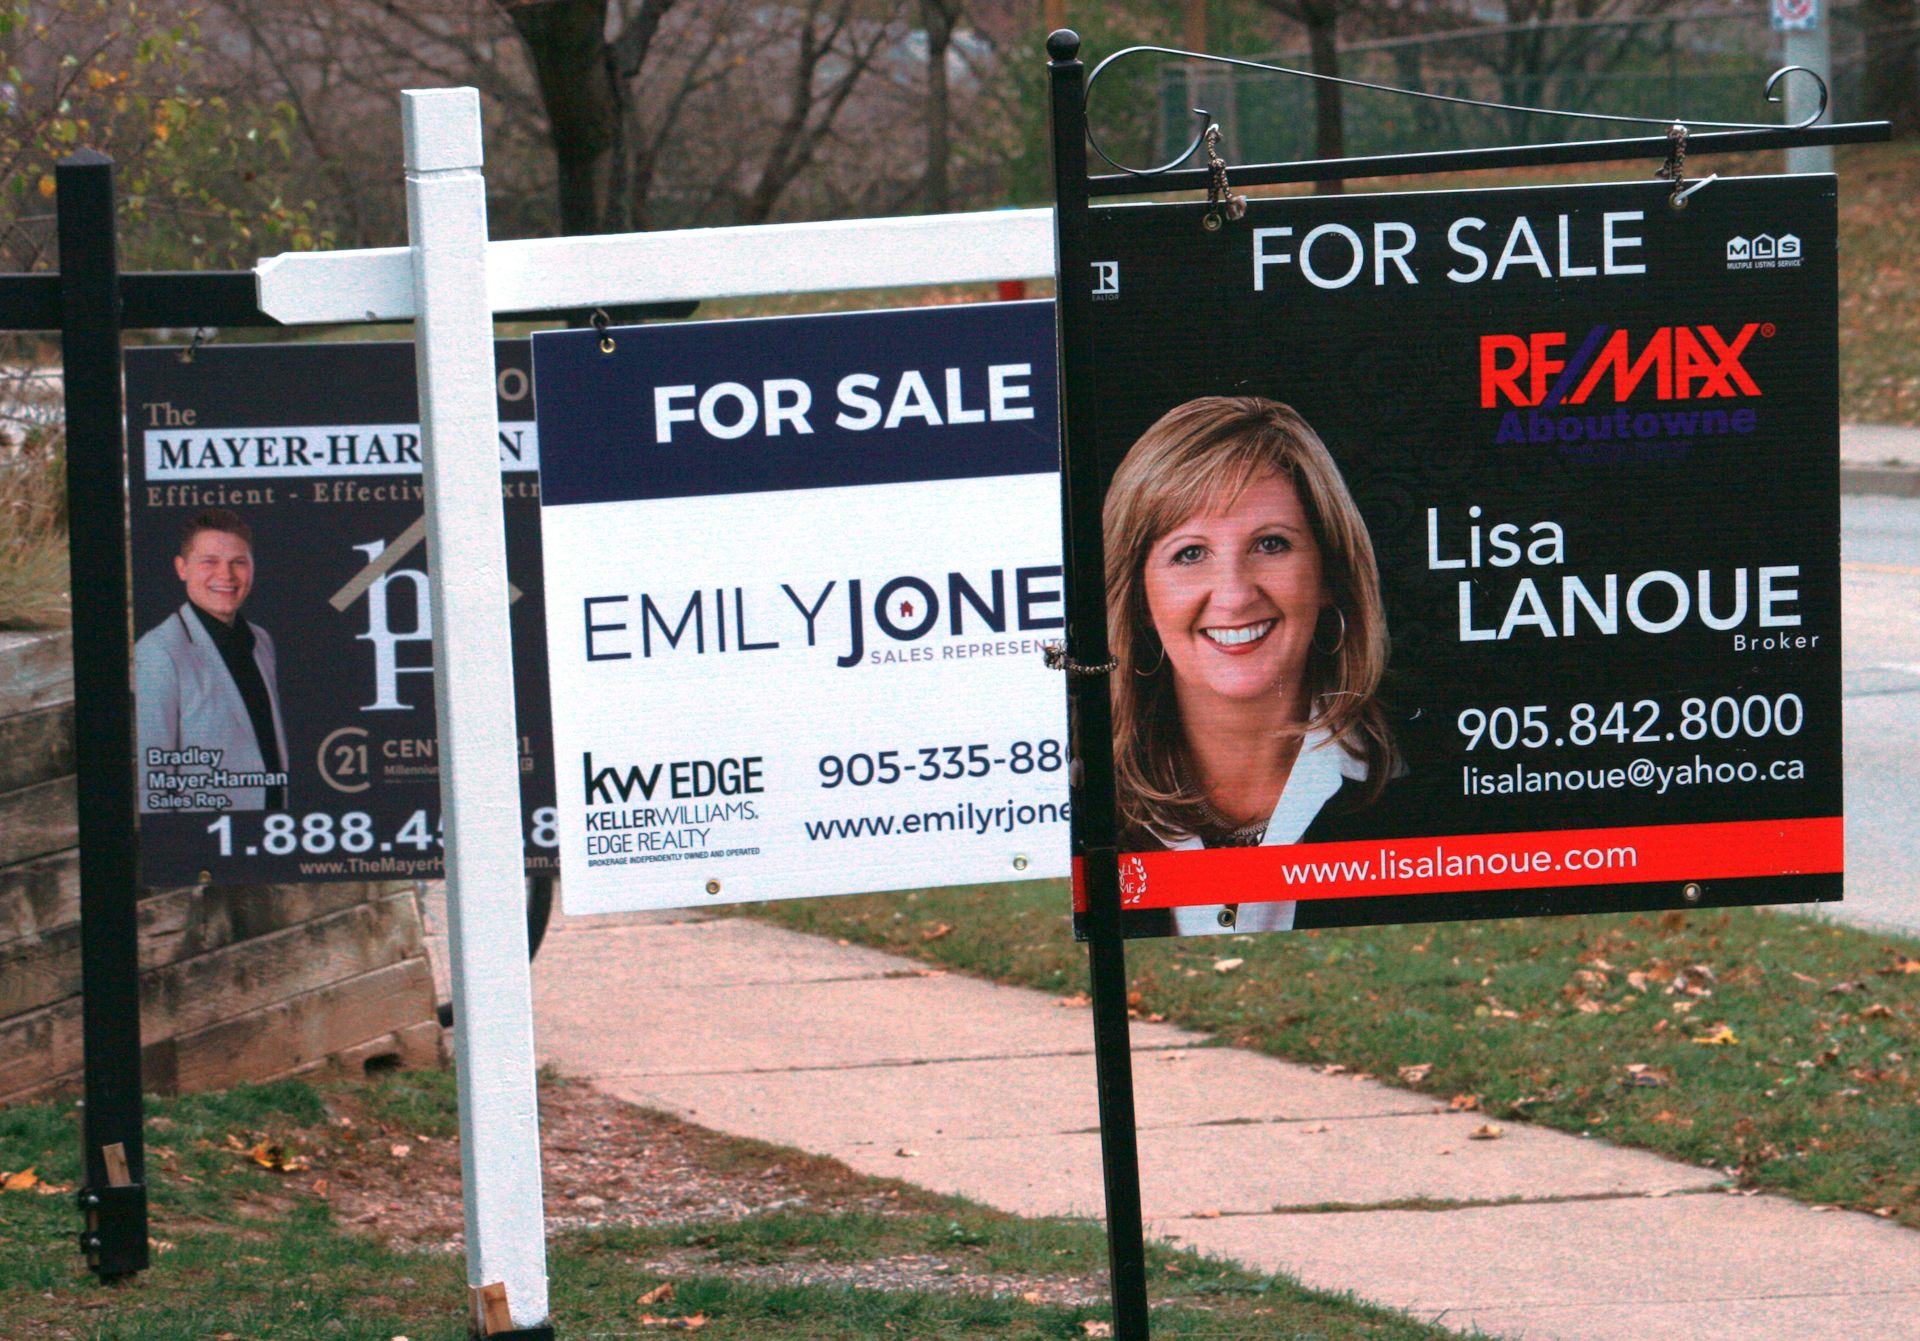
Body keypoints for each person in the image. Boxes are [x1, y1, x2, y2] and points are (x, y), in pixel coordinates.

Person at [1103, 397, 1396, 935]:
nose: (1235, 596)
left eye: (1270, 544)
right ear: (1140, 597)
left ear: (1328, 571)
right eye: (1190, 553)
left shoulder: (1419, 790)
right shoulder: (1085, 803)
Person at [135, 509, 289, 813]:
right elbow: (153, 781)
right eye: (209, 562)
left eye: (238, 563)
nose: (226, 576)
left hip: (271, 830)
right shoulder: (158, 651)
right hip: (205, 843)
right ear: (182, 568)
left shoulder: (261, 641)